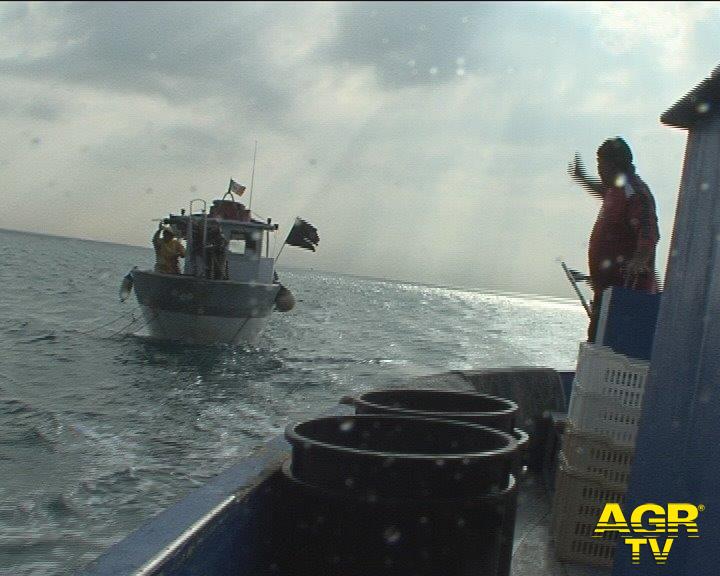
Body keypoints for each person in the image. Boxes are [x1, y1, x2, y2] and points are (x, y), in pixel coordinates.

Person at [568, 137, 660, 342]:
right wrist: (582, 178)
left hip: (626, 300)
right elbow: (603, 191)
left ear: (615, 165)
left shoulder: (635, 193)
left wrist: (638, 261)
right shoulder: (616, 190)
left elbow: (649, 234)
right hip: (606, 295)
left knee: (612, 349)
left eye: (601, 165)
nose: (599, 171)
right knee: (596, 341)